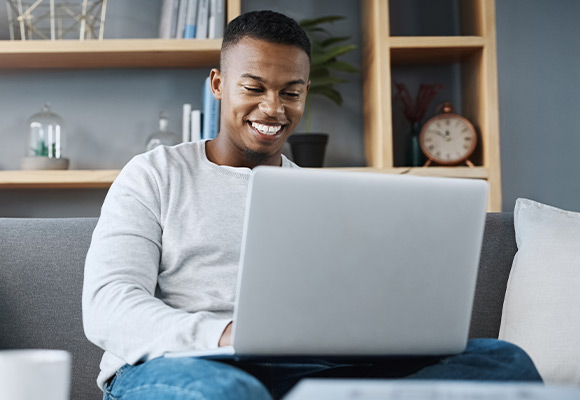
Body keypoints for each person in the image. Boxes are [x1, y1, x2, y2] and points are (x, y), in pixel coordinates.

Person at [82, 10, 540, 400]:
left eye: (291, 92)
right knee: (226, 391)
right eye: (254, 88)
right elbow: (108, 305)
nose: (273, 108)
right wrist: (224, 335)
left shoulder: (316, 195)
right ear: (219, 84)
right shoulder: (155, 173)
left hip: (306, 367)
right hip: (176, 365)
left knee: (503, 361)